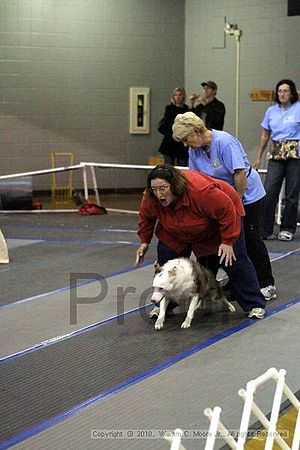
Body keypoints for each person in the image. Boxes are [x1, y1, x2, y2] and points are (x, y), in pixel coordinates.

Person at [135, 164, 266, 319]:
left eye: (163, 188)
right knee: (166, 266)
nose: (158, 194)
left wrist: (228, 241)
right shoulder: (150, 196)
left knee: (234, 260)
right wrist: (144, 241)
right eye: (154, 189)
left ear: (174, 185)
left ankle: (254, 304)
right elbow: (147, 217)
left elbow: (228, 211)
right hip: (175, 230)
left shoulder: (201, 192)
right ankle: (164, 307)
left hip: (217, 224)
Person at [172, 112, 276, 301]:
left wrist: (236, 202)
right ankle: (237, 282)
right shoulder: (194, 150)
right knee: (228, 241)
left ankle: (266, 283)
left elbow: (239, 173)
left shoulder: (224, 142)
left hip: (246, 195)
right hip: (220, 199)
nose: (185, 144)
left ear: (196, 132)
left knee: (251, 240)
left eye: (186, 139)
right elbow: (197, 179)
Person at [253, 79, 300, 241]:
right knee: (269, 191)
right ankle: (265, 229)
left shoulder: (298, 108)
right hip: (276, 153)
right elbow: (265, 134)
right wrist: (259, 156)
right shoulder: (271, 111)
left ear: (292, 93)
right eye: (280, 91)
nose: (282, 94)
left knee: (292, 193)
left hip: (295, 154)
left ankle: (287, 228)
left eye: (286, 91)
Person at [158, 87, 189, 166]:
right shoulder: (169, 109)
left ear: (183, 96)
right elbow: (166, 123)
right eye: (176, 95)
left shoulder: (186, 109)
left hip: (181, 142)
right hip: (170, 141)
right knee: (169, 166)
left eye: (180, 95)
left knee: (182, 167)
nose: (178, 97)